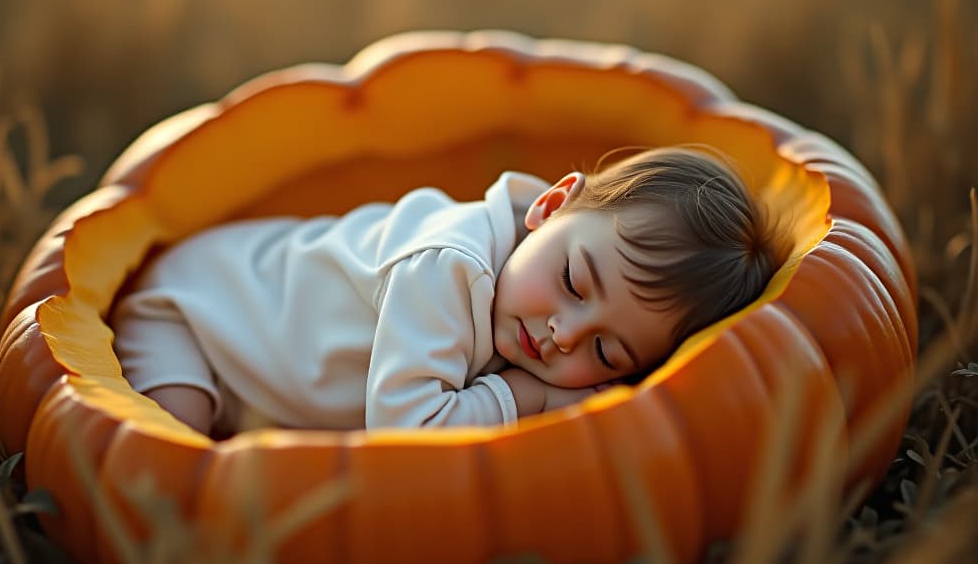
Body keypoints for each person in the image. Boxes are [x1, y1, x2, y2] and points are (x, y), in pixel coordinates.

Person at [111, 145, 786, 436]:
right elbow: (408, 428)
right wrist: (532, 397)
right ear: (550, 208)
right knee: (177, 467)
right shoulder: (447, 267)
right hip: (195, 317)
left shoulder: (521, 304)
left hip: (270, 384)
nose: (564, 334)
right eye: (575, 282)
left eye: (607, 353)